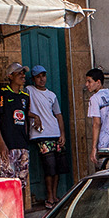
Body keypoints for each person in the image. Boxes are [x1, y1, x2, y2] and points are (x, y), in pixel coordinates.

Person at [0, 63, 32, 203]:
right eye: (18, 73)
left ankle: (22, 214)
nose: (22, 75)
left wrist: (26, 141)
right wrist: (2, 144)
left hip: (22, 145)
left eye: (23, 73)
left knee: (22, 183)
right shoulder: (2, 94)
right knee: (9, 183)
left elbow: (25, 118)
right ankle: (10, 216)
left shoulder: (24, 96)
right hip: (8, 146)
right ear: (10, 76)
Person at [26, 65, 66, 207]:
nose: (42, 79)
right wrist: (34, 116)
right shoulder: (29, 91)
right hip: (42, 135)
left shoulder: (51, 95)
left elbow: (58, 115)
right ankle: (49, 197)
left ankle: (55, 196)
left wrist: (62, 134)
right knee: (49, 167)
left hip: (55, 132)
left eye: (43, 75)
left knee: (57, 168)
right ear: (33, 79)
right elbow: (23, 108)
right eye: (38, 76)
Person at [84, 68, 109, 170]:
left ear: (98, 82)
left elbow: (96, 124)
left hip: (104, 145)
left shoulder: (95, 99)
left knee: (103, 178)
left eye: (89, 81)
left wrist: (93, 148)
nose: (87, 84)